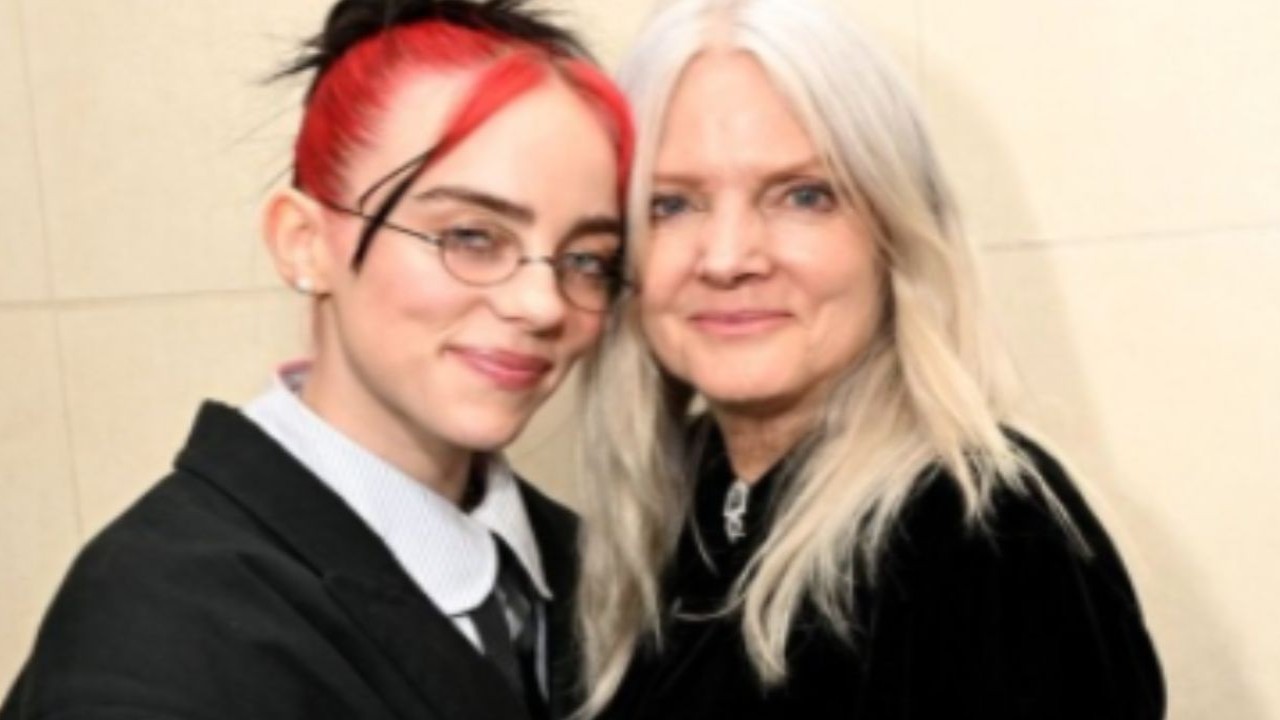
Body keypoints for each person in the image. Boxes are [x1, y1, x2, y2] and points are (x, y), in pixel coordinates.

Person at [1, 1, 631, 719]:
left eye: (587, 259)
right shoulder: (154, 630)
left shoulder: (594, 575)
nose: (544, 303)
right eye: (471, 235)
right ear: (303, 241)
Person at [573, 0, 1164, 717]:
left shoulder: (987, 539)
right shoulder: (665, 528)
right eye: (672, 204)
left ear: (894, 235)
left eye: (802, 195)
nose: (728, 257)